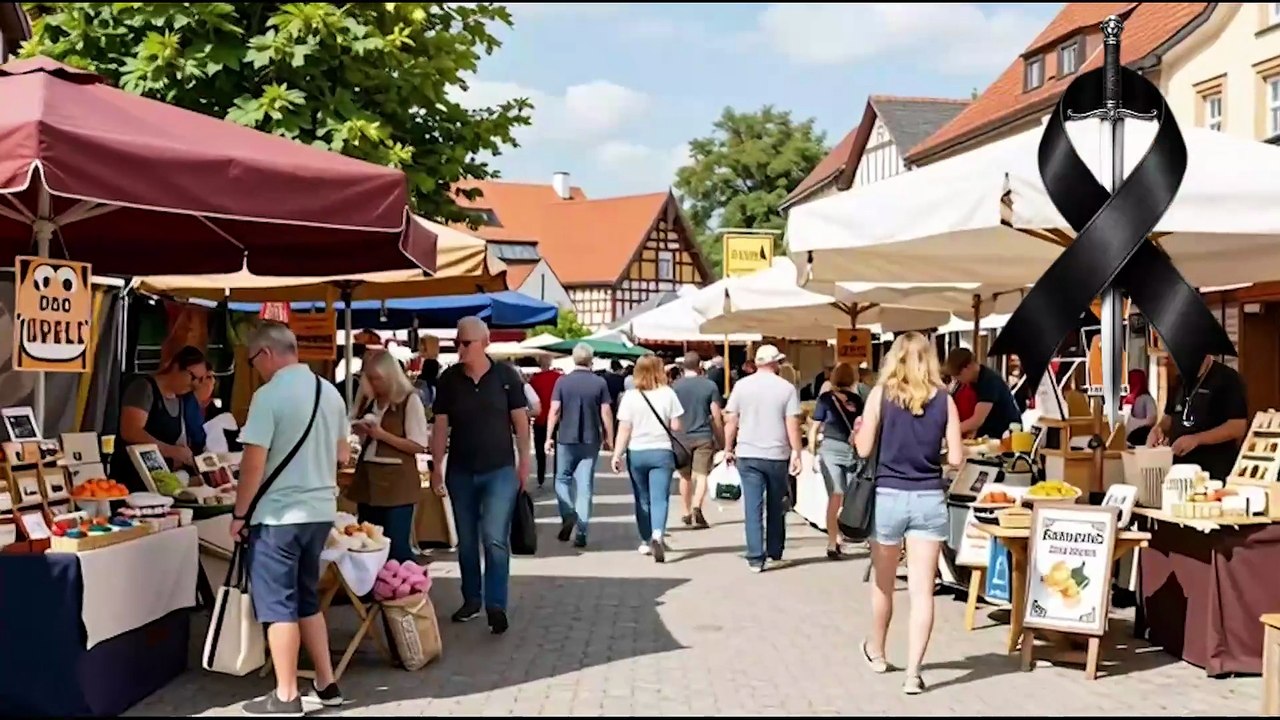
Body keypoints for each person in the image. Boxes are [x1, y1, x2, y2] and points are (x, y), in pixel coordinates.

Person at [231, 323, 350, 715]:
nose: (255, 369)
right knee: (306, 598)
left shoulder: (268, 397)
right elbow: (342, 457)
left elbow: (253, 465)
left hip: (278, 516)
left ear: (266, 354)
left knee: (278, 605)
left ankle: (285, 697)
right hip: (319, 513)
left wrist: (239, 514)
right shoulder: (329, 393)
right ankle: (327, 682)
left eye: (253, 361)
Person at [855, 331, 963, 696]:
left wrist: (861, 434)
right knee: (923, 592)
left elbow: (864, 447)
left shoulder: (879, 396)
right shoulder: (945, 401)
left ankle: (878, 651)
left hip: (887, 495)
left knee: (884, 583)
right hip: (929, 498)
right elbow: (957, 458)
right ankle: (913, 673)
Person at [430, 316, 531, 635]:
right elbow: (440, 427)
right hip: (460, 470)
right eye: (457, 342)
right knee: (467, 541)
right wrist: (436, 468)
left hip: (499, 470)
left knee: (495, 539)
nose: (459, 348)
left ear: (485, 343)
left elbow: (520, 422)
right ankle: (472, 599)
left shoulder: (506, 376)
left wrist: (524, 462)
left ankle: (496, 605)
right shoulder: (449, 379)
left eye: (466, 343)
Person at [345, 350, 430, 563]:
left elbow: (418, 445)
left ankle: (399, 592)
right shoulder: (369, 401)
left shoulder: (409, 400)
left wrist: (382, 435)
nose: (374, 384)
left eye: (377, 379)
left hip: (397, 485)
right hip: (368, 482)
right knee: (367, 544)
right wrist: (360, 431)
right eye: (369, 378)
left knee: (396, 549)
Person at [723, 345, 802, 573]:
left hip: (748, 452)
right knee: (776, 504)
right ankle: (775, 550)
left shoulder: (741, 386)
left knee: (753, 505)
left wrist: (728, 447)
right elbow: (792, 424)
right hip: (777, 453)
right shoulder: (786, 388)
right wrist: (796, 451)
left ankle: (755, 556)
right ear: (775, 363)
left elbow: (731, 420)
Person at [611, 353, 684, 563]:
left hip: (638, 452)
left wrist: (617, 454)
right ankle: (658, 534)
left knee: (642, 499)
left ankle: (645, 540)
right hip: (662, 451)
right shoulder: (668, 393)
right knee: (660, 497)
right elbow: (677, 426)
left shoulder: (630, 397)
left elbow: (624, 428)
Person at [114, 345, 210, 493]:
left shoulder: (181, 400)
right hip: (132, 481)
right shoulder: (143, 388)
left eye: (200, 380)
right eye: (193, 377)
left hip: (160, 482)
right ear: (176, 367)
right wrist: (171, 451)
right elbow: (130, 431)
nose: (194, 384)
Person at [545, 342, 613, 548]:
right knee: (584, 487)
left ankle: (568, 513)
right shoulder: (599, 383)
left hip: (566, 437)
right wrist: (610, 437)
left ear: (574, 359)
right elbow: (606, 412)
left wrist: (548, 436)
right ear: (591, 360)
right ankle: (582, 532)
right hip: (591, 439)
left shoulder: (562, 382)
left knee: (561, 479)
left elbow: (554, 410)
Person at [1148, 354, 1248, 480]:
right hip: (1179, 470)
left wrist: (1196, 439)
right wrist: (1158, 428)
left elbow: (1238, 427)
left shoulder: (1228, 378)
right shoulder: (1179, 380)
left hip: (1213, 470)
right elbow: (1169, 416)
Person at [808, 362, 864, 560]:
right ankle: (836, 539)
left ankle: (834, 540)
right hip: (851, 450)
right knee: (845, 495)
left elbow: (815, 428)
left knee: (837, 496)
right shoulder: (857, 400)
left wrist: (813, 451)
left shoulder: (825, 399)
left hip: (830, 449)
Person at [671, 351, 723, 529]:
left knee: (684, 476)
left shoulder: (674, 386)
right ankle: (697, 506)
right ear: (700, 365)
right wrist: (721, 439)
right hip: (703, 435)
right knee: (702, 475)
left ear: (683, 366)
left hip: (680, 437)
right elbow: (716, 415)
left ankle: (685, 512)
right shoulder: (710, 386)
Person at [945, 348, 1020, 440]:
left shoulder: (989, 381)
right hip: (992, 433)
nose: (958, 380)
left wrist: (950, 431)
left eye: (958, 375)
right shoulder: (975, 380)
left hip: (1006, 435)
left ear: (968, 367)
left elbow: (976, 420)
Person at [528, 356, 560, 489]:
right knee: (559, 450)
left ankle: (541, 476)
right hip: (557, 418)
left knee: (540, 450)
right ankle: (557, 477)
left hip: (540, 419)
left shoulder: (534, 380)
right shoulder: (558, 377)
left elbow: (531, 400)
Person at [1123, 368, 1159, 446]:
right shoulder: (1127, 398)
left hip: (1141, 438)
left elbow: (1152, 420)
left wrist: (1133, 423)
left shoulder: (1147, 399)